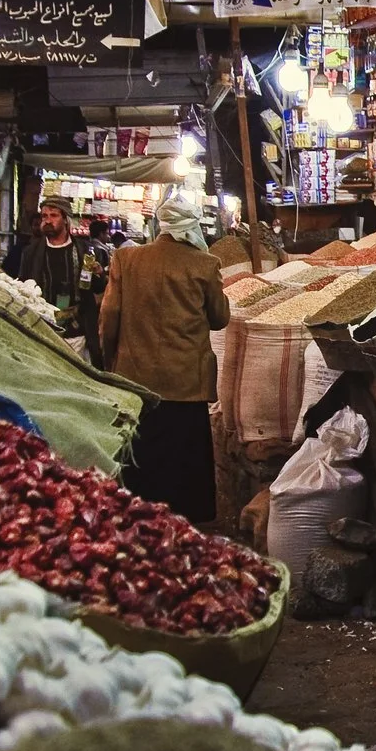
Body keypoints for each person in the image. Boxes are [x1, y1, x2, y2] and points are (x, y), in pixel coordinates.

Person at [99, 193, 231, 523]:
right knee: (184, 457)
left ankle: (138, 513)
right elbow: (220, 318)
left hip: (137, 380)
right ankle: (186, 519)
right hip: (187, 382)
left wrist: (109, 363)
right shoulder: (205, 263)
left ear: (161, 225)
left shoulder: (125, 259)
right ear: (192, 227)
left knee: (142, 454)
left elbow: (109, 317)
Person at [6, 197, 97, 335]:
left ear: (66, 219)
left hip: (76, 331)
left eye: (53, 215)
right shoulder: (31, 252)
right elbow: (22, 289)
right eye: (44, 216)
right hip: (40, 328)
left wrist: (99, 274)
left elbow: (96, 289)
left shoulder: (84, 251)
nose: (47, 220)